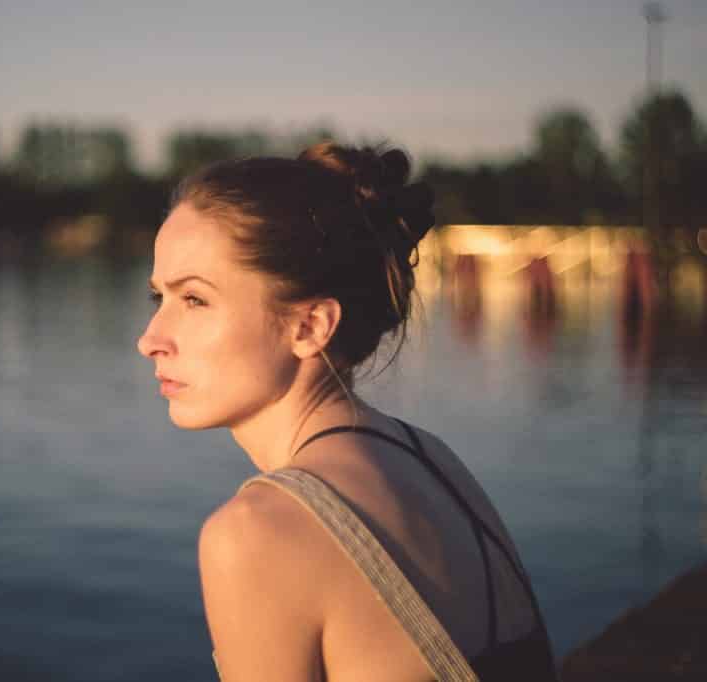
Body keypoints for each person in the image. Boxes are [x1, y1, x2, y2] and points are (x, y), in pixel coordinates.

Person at [137, 142, 558, 681]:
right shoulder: (431, 459)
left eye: (193, 300)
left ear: (310, 326)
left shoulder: (256, 533)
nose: (150, 339)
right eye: (159, 299)